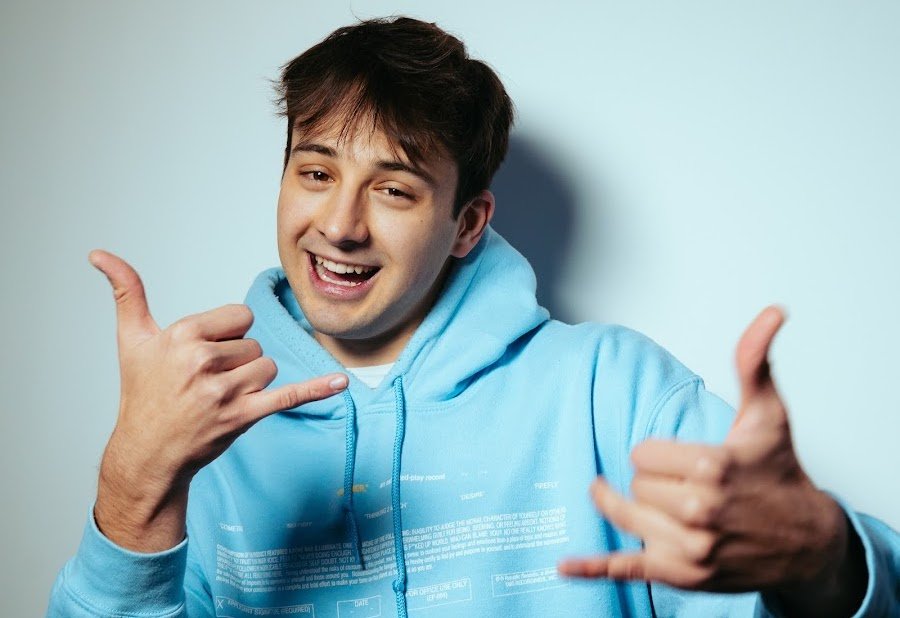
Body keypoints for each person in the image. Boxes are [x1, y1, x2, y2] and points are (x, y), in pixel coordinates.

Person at [48, 16, 898, 618]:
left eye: (393, 190)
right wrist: (132, 493)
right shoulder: (202, 424)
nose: (339, 224)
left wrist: (824, 557)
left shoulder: (616, 394)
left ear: (466, 225)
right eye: (315, 173)